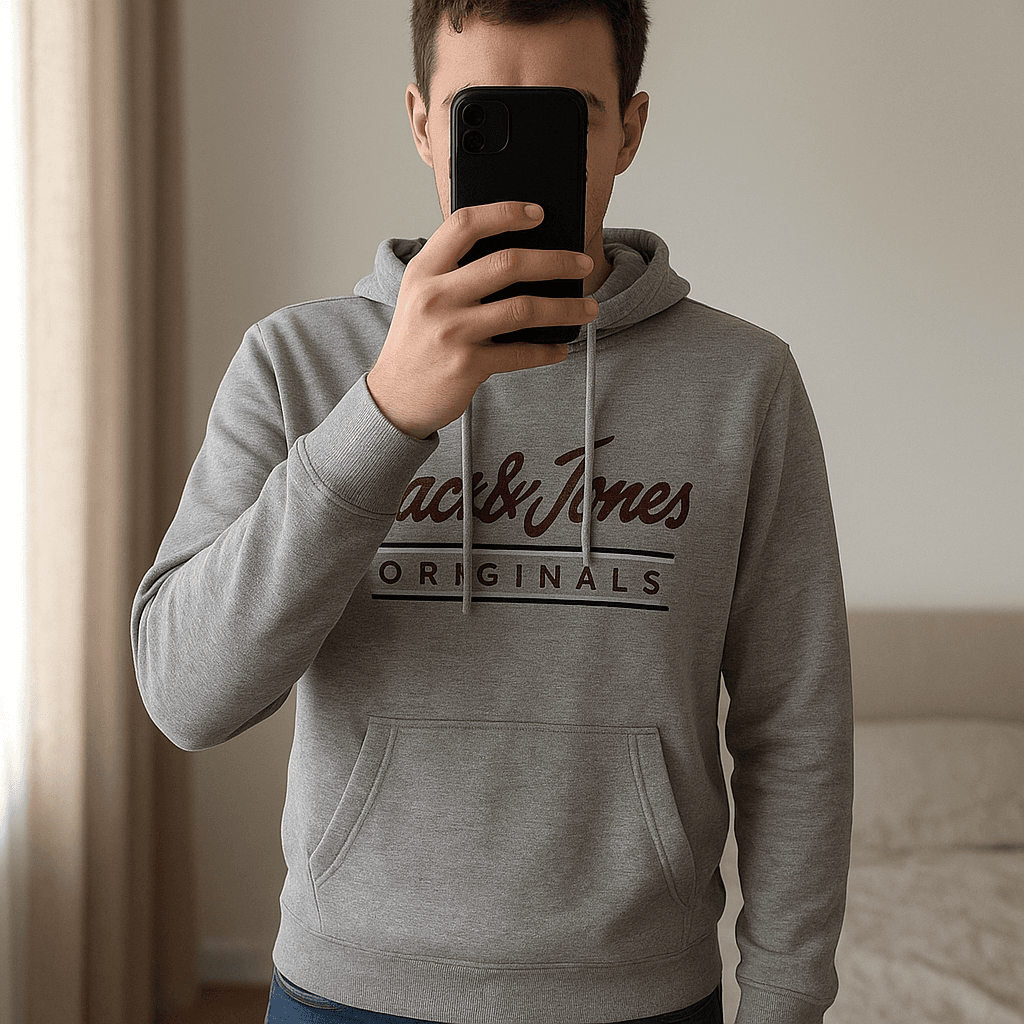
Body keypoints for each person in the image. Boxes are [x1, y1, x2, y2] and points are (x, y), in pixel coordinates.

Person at [131, 2, 853, 1023]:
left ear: (628, 130)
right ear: (422, 122)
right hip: (347, 989)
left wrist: (783, 999)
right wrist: (382, 415)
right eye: (482, 119)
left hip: (639, 993)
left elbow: (798, 722)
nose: (519, 162)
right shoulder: (296, 364)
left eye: (562, 120)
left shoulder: (745, 384)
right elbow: (184, 695)